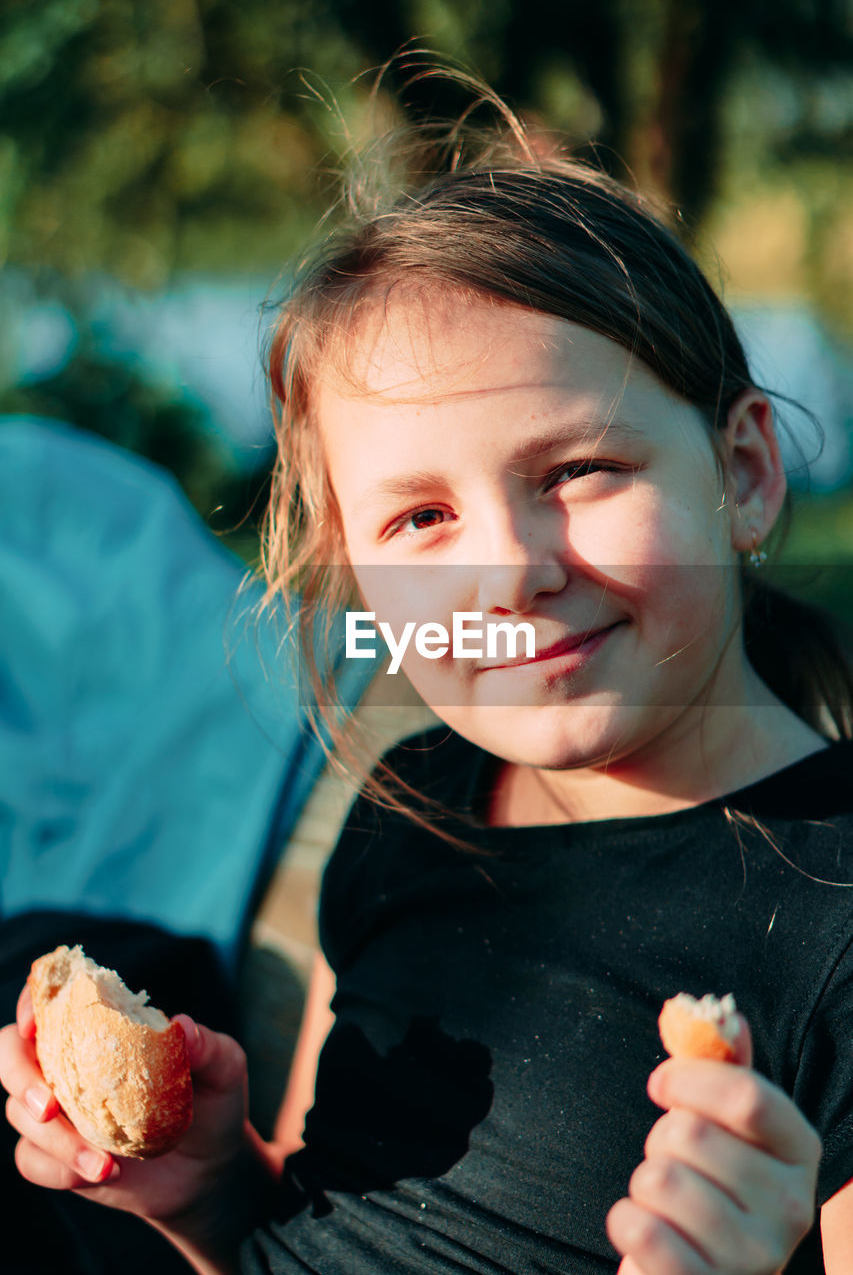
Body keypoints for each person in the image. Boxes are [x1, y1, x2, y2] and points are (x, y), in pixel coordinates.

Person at [2, 86, 853, 1275]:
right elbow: (312, 1226)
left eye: (579, 469)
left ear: (745, 472)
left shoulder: (831, 913)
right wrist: (203, 1185)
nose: (509, 570)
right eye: (421, 517)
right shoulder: (421, 798)